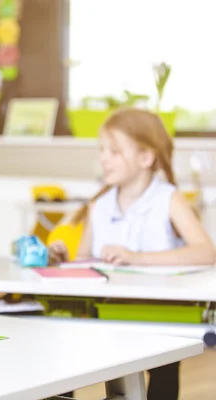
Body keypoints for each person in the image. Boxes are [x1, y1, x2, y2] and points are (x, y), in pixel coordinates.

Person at [50, 108, 216, 400]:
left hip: (157, 316)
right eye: (102, 150)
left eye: (114, 151)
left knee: (163, 368)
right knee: (61, 353)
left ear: (145, 157)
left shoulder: (168, 199)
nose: (104, 158)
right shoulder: (98, 206)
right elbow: (85, 262)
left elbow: (206, 252)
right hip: (103, 313)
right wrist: (64, 260)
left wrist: (136, 257)